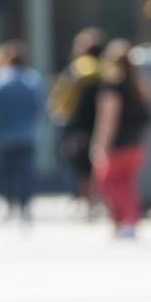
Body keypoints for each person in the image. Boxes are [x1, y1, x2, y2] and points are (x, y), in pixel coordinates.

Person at [90, 40, 151, 238]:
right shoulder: (138, 84)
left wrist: (99, 144)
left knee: (107, 181)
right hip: (137, 144)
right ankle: (128, 221)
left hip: (119, 145)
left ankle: (124, 221)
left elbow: (107, 120)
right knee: (126, 184)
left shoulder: (112, 88)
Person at [0, 40, 44, 221]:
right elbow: (38, 107)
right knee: (25, 172)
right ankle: (25, 206)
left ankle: (8, 204)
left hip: (2, 135)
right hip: (26, 134)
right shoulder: (33, 79)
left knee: (3, 171)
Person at [49, 28, 105, 213]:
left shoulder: (79, 68)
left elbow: (70, 100)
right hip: (100, 123)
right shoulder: (106, 68)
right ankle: (96, 201)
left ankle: (88, 202)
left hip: (79, 124)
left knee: (81, 167)